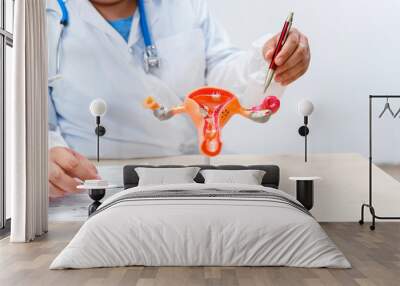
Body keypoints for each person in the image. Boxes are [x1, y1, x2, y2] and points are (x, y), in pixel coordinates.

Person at [47, 0, 311, 198]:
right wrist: (41, 154)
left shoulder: (184, 5)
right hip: (95, 186)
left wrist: (267, 61)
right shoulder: (40, 17)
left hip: (190, 177)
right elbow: (28, 119)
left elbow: (222, 76)